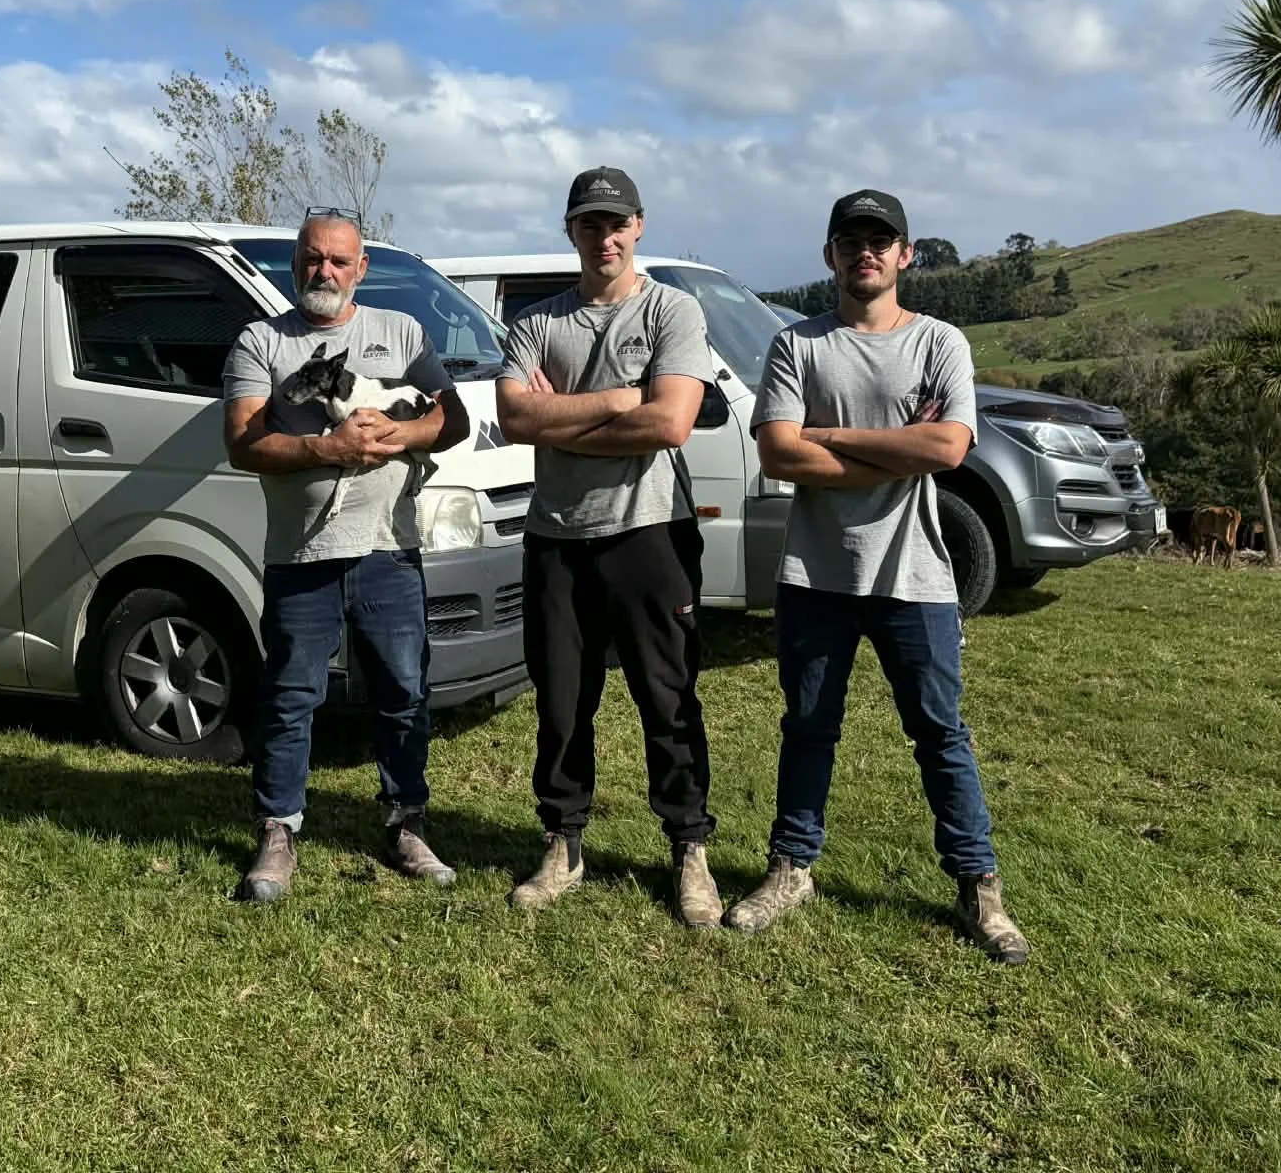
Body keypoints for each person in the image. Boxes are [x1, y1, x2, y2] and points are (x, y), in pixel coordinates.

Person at [724, 188, 1030, 964]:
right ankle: (791, 870)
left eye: (880, 240)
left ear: (905, 254)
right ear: (831, 254)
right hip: (815, 574)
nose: (866, 251)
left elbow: (948, 450)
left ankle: (978, 888)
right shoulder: (798, 345)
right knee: (808, 729)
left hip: (917, 576)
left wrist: (830, 435)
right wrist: (897, 440)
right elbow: (779, 455)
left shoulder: (940, 343)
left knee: (939, 734)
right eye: (851, 239)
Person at [495, 167, 722, 928]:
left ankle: (689, 847)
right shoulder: (537, 322)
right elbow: (516, 422)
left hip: (649, 530)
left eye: (617, 223)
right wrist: (621, 399)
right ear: (571, 231)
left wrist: (560, 412)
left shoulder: (671, 311)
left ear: (640, 225)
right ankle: (563, 842)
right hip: (556, 537)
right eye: (590, 224)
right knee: (562, 702)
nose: (605, 237)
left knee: (668, 695)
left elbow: (669, 425)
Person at [222, 209, 470, 903]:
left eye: (338, 260)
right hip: (302, 554)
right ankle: (278, 832)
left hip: (390, 550)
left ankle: (407, 823)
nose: (323, 271)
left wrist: (400, 432)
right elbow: (241, 443)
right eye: (311, 258)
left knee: (402, 693)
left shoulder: (401, 332)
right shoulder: (260, 342)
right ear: (294, 263)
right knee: (292, 696)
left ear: (360, 268)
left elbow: (455, 420)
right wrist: (323, 450)